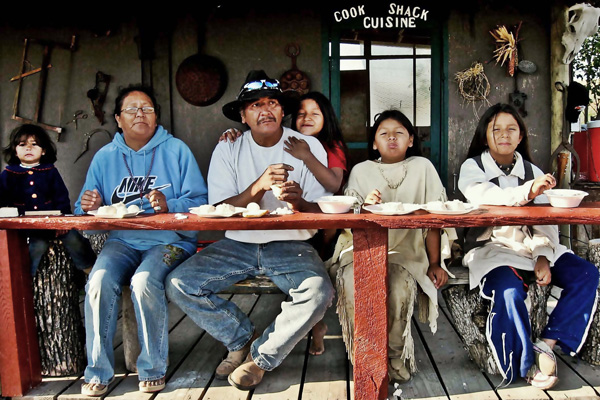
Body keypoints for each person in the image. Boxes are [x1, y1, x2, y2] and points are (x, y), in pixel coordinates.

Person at [166, 70, 335, 391]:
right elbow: (219, 212)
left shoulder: (307, 146)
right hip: (239, 243)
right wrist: (257, 187)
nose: (265, 110)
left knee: (319, 293)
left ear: (283, 110)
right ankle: (240, 338)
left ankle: (260, 359)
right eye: (255, 105)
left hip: (291, 243)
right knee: (179, 283)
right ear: (243, 115)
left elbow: (324, 209)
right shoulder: (229, 148)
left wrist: (300, 203)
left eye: (272, 102)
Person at [74, 85, 207, 396]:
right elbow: (85, 210)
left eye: (146, 108)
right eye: (131, 109)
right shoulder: (105, 157)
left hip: (170, 240)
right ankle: (97, 371)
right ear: (118, 119)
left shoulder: (176, 150)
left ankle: (152, 368)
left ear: (156, 116)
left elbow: (201, 200)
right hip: (121, 241)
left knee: (145, 281)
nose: (140, 114)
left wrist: (168, 205)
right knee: (98, 283)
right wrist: (88, 205)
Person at [458, 103, 599, 389]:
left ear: (521, 136)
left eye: (511, 129)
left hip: (532, 247)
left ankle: (546, 343)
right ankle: (523, 366)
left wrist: (543, 256)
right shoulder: (472, 168)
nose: (504, 135)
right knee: (508, 293)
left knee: (586, 275)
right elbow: (486, 196)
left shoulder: (532, 169)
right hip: (493, 249)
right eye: (495, 129)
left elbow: (545, 221)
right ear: (485, 136)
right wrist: (528, 191)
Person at [326, 109, 456, 383]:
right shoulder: (361, 171)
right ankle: (365, 356)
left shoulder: (423, 167)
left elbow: (435, 218)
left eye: (399, 133)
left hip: (407, 252)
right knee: (354, 286)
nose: (392, 138)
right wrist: (365, 208)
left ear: (410, 139)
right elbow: (348, 221)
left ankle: (394, 355)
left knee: (398, 290)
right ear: (374, 143)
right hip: (360, 251)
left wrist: (435, 262)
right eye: (383, 134)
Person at [219, 90, 349, 355]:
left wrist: (306, 155)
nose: (306, 119)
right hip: (258, 238)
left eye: (315, 114)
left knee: (316, 284)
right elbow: (219, 204)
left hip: (310, 229)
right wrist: (234, 135)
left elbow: (333, 186)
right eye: (301, 114)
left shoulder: (321, 146)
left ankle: (300, 332)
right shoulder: (288, 143)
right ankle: (294, 329)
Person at [0, 123, 96, 276]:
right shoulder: (8, 174)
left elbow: (61, 196)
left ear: (44, 150)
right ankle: (25, 280)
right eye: (22, 144)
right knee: (37, 246)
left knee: (74, 239)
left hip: (53, 223)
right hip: (24, 228)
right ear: (15, 150)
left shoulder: (50, 171)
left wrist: (63, 221)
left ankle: (89, 269)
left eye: (34, 144)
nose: (29, 148)